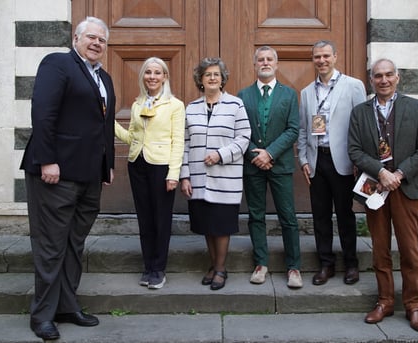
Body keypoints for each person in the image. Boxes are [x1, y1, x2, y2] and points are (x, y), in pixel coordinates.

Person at [20, 16, 116, 340]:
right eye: (91, 37)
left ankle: (66, 305)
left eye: (102, 40)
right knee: (51, 246)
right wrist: (47, 159)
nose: (96, 43)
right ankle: (42, 315)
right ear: (76, 38)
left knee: (74, 244)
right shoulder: (58, 64)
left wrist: (108, 165)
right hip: (55, 174)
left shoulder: (104, 77)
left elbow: (103, 125)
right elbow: (42, 111)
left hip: (89, 177)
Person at [348, 58, 418, 332]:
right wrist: (380, 172)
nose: (383, 80)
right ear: (371, 80)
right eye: (377, 76)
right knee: (380, 249)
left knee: (410, 250)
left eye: (388, 75)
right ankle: (384, 301)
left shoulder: (415, 107)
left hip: (406, 188)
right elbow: (354, 150)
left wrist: (398, 174)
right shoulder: (360, 112)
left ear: (397, 78)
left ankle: (414, 306)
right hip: (375, 189)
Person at [297, 40, 367, 286]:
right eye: (317, 56)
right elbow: (304, 129)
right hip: (318, 161)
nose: (322, 60)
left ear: (335, 56)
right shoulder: (307, 92)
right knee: (321, 216)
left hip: (345, 161)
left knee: (346, 215)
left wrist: (361, 159)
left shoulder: (353, 86)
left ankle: (351, 264)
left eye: (326, 55)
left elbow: (363, 123)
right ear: (313, 59)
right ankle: (326, 264)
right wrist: (303, 159)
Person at [180, 57, 251, 291]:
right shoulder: (190, 108)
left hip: (225, 177)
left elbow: (243, 138)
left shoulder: (235, 105)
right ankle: (213, 265)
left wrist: (221, 154)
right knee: (205, 225)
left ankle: (220, 268)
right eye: (207, 74)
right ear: (200, 79)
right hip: (199, 178)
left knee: (221, 226)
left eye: (216, 75)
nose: (212, 78)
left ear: (222, 79)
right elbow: (185, 143)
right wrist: (185, 175)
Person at [115, 57, 185, 290]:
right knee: (144, 218)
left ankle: (158, 269)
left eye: (157, 73)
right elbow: (132, 137)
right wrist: (110, 123)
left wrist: (173, 173)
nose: (152, 77)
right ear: (143, 77)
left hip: (162, 167)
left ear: (165, 77)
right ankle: (147, 267)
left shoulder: (175, 105)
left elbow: (178, 141)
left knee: (160, 219)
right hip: (138, 164)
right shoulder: (137, 104)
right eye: (148, 72)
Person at [238, 46, 303, 288]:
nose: (265, 63)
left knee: (288, 217)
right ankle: (261, 263)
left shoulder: (289, 95)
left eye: (269, 59)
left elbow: (293, 129)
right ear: (254, 65)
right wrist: (256, 153)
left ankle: (294, 267)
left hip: (280, 165)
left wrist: (270, 153)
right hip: (252, 164)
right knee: (256, 216)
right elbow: (240, 131)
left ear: (276, 65)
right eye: (260, 60)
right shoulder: (243, 95)